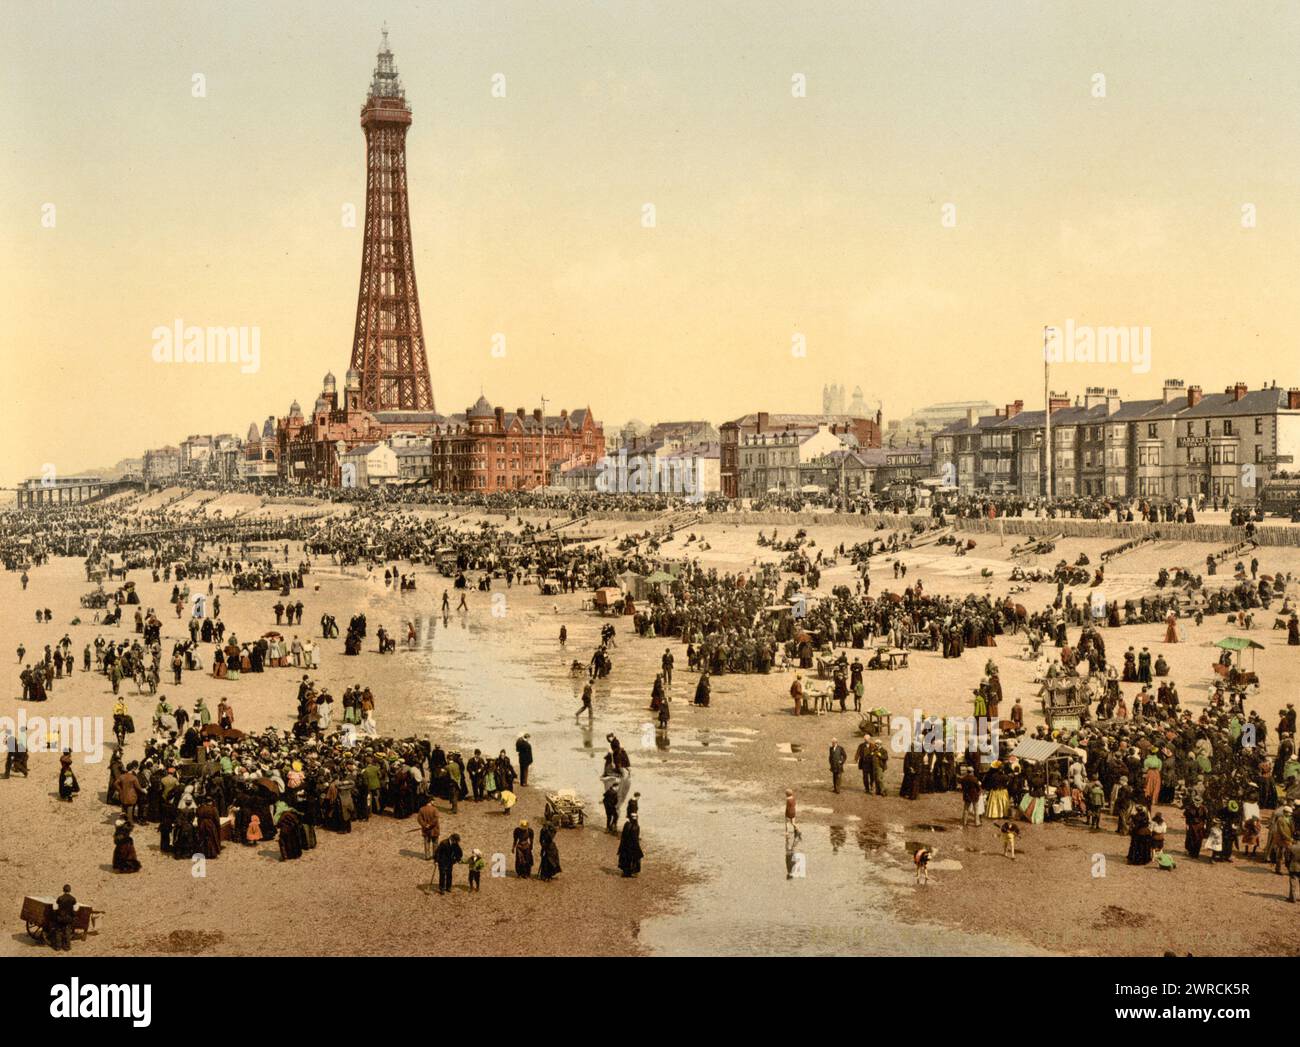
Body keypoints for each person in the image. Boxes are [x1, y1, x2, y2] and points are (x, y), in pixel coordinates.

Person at [50, 885, 77, 952]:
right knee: (67, 932)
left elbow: (57, 903)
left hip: (60, 918)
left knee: (58, 931)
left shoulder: (60, 898)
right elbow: (74, 904)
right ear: (70, 890)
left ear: (63, 890)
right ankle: (67, 947)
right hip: (68, 918)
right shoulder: (73, 898)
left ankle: (58, 947)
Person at [618, 813, 643, 877]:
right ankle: (633, 872)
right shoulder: (636, 827)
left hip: (625, 845)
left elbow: (623, 836)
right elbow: (635, 839)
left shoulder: (626, 824)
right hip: (633, 846)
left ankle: (626, 872)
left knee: (626, 859)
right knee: (635, 858)